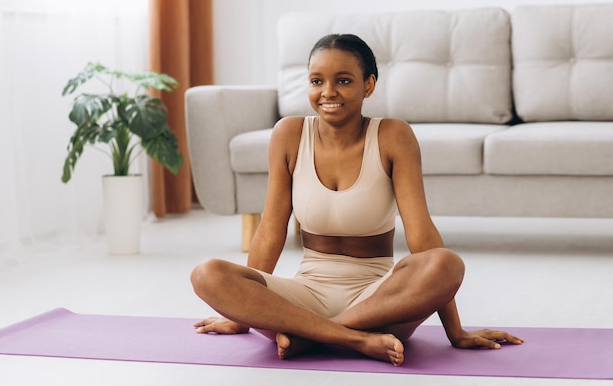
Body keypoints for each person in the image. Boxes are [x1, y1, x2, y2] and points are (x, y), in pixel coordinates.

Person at [190, 33, 523, 366]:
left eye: (344, 80)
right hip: (303, 298)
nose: (328, 92)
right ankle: (354, 340)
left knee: (446, 264)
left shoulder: (394, 136)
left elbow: (421, 236)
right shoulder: (288, 135)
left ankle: (315, 336)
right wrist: (241, 316)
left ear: (369, 85)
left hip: (379, 301)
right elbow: (270, 231)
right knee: (207, 274)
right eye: (316, 81)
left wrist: (456, 331)